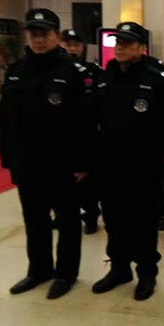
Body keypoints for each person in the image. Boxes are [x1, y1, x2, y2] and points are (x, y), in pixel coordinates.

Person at [0, 8, 93, 299]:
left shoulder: (73, 73)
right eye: (34, 34)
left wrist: (84, 162)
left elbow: (85, 122)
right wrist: (8, 157)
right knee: (34, 220)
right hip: (27, 162)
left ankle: (66, 274)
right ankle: (39, 270)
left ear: (57, 36)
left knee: (67, 222)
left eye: (45, 34)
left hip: (62, 163)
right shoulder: (16, 71)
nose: (39, 40)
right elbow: (6, 118)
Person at [91, 22, 164, 301]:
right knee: (113, 221)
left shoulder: (157, 78)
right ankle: (119, 269)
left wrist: (160, 157)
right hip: (110, 165)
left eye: (127, 43)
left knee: (144, 223)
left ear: (142, 47)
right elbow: (95, 121)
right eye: (118, 42)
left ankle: (147, 274)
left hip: (143, 167)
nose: (121, 47)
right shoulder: (105, 77)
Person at [60, 29, 103, 234]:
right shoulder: (55, 70)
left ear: (83, 48)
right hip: (60, 135)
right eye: (68, 44)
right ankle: (62, 215)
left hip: (86, 133)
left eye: (76, 45)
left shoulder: (93, 72)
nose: (72, 49)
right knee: (61, 181)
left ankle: (91, 216)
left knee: (87, 183)